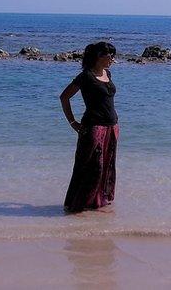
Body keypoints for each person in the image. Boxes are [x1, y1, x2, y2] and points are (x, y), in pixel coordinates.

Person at [60, 41, 119, 213]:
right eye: (109, 55)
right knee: (92, 167)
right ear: (98, 56)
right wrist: (72, 122)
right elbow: (64, 97)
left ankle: (97, 202)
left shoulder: (108, 74)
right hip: (93, 127)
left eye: (113, 55)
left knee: (107, 166)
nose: (112, 59)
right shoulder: (85, 76)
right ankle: (78, 205)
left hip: (112, 127)